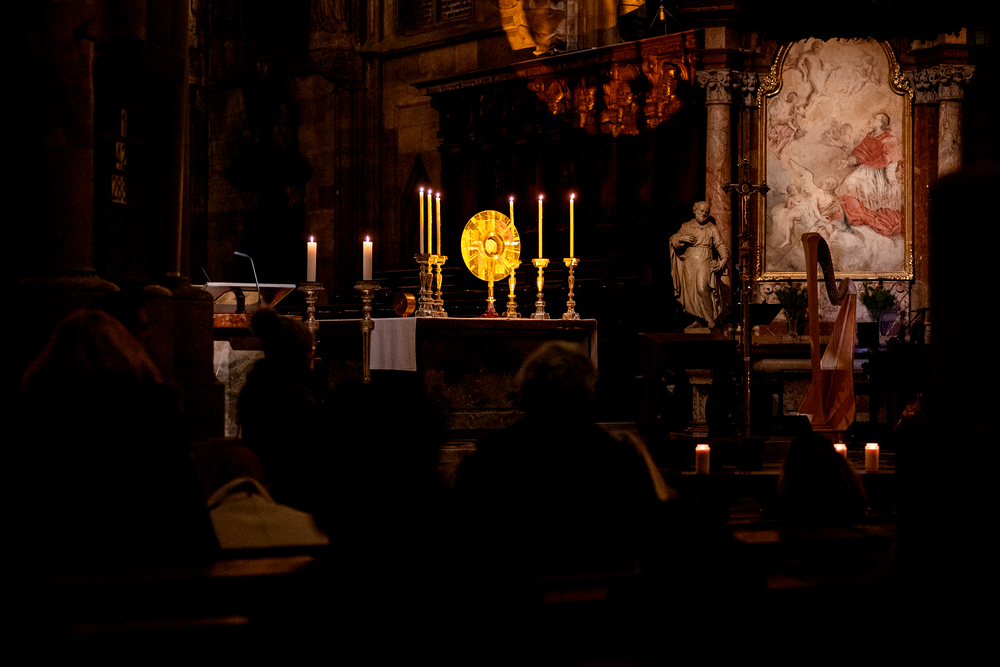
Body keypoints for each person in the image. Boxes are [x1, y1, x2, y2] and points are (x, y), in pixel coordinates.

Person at [836, 112, 903, 237]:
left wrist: (891, 179)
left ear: (881, 123)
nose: (871, 120)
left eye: (875, 119)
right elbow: (860, 155)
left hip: (879, 174)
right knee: (848, 183)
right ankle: (856, 218)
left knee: (854, 185)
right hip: (865, 170)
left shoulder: (889, 139)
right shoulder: (870, 137)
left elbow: (892, 160)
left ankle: (864, 219)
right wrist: (847, 161)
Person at [670, 201, 729, 328]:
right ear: (695, 210)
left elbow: (720, 245)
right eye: (702, 211)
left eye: (707, 212)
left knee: (702, 288)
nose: (704, 214)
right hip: (689, 261)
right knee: (691, 291)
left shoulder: (712, 228)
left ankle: (710, 318)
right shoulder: (687, 226)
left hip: (705, 259)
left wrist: (723, 259)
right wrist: (683, 238)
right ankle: (697, 320)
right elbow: (673, 240)